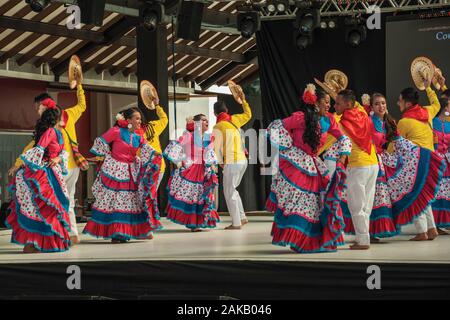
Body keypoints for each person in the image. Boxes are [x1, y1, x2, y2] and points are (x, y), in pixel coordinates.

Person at [266, 84, 351, 253]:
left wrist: (344, 153)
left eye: (329, 102)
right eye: (325, 102)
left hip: (313, 164)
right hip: (296, 163)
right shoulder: (300, 117)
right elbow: (275, 127)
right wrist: (288, 146)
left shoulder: (329, 120)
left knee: (315, 204)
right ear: (315, 103)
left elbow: (343, 138)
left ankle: (310, 240)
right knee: (297, 201)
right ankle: (298, 239)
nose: (329, 105)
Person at [9, 85, 87, 245]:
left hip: (57, 168)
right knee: (67, 201)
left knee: (54, 202)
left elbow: (35, 146)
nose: (38, 111)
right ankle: (71, 234)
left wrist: (19, 163)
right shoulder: (68, 116)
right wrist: (79, 85)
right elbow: (82, 105)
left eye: (39, 108)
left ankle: (56, 235)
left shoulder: (50, 129)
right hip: (70, 165)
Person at [83, 108, 162, 243]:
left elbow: (146, 148)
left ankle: (131, 230)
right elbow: (100, 141)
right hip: (117, 170)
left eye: (140, 119)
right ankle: (117, 232)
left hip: (132, 170)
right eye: (136, 118)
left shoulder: (138, 135)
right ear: (128, 120)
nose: (139, 121)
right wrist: (108, 156)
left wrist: (156, 154)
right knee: (117, 201)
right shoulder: (116, 131)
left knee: (132, 202)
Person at [6, 99, 71, 253]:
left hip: (52, 173)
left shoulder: (59, 133)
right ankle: (33, 242)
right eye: (62, 117)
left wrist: (58, 158)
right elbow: (39, 149)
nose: (63, 120)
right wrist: (22, 164)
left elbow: (62, 152)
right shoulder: (50, 131)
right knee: (40, 208)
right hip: (42, 174)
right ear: (56, 118)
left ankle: (43, 242)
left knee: (48, 208)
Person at [395, 76, 445, 241]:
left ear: (408, 104)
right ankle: (431, 229)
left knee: (414, 194)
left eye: (400, 101)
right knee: (424, 194)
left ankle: (422, 231)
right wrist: (428, 87)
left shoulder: (404, 122)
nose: (398, 103)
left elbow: (395, 144)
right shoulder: (427, 112)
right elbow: (438, 105)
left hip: (417, 160)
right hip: (432, 158)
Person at [334, 89, 379, 250]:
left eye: (338, 103)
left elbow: (326, 143)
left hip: (358, 166)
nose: (334, 105)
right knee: (366, 205)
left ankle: (363, 241)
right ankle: (363, 238)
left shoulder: (340, 124)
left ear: (348, 104)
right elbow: (358, 104)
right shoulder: (363, 113)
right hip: (373, 163)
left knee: (356, 206)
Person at [164, 114, 219, 231]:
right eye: (204, 120)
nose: (207, 122)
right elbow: (176, 147)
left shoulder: (209, 138)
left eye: (207, 120)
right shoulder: (189, 136)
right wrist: (179, 162)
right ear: (197, 124)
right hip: (192, 170)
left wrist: (212, 165)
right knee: (193, 197)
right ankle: (193, 223)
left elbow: (210, 153)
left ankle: (199, 222)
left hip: (204, 171)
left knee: (202, 197)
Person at [212, 91, 252, 230]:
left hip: (232, 162)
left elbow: (216, 148)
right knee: (233, 191)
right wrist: (243, 101)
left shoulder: (217, 127)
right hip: (243, 161)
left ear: (215, 113)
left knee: (229, 193)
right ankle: (241, 217)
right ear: (227, 110)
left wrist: (220, 163)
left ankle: (236, 223)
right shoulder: (234, 119)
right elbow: (248, 114)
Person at [432, 96, 450, 231]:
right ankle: (436, 224)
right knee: (437, 192)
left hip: (447, 162)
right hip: (436, 162)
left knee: (447, 192)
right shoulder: (432, 123)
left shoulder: (449, 124)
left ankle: (445, 222)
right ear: (444, 108)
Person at [143, 103, 168, 189]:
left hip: (155, 167)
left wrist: (157, 105)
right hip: (148, 168)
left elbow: (164, 119)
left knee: (148, 196)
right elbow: (164, 119)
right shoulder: (151, 126)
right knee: (149, 196)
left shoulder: (152, 126)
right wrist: (157, 105)